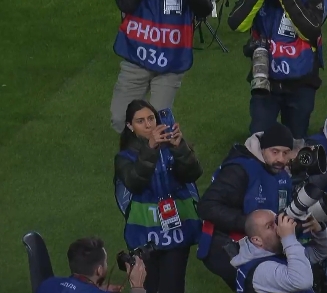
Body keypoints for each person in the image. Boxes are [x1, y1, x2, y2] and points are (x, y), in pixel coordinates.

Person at [110, 0, 213, 134]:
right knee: (120, 118)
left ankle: (154, 153)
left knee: (157, 125)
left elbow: (205, 9)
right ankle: (135, 152)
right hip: (137, 58)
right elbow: (125, 3)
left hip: (170, 62)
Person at [227, 0, 327, 141]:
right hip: (265, 79)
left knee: (296, 138)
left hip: (302, 80)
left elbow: (311, 30)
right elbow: (236, 23)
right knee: (259, 138)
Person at [114, 100, 203, 293]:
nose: (148, 125)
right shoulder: (124, 158)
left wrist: (180, 148)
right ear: (130, 126)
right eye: (140, 121)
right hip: (144, 233)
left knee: (172, 288)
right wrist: (150, 148)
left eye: (151, 118)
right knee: (150, 288)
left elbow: (193, 174)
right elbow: (135, 182)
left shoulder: (171, 147)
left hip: (177, 231)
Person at [196, 122, 295, 290]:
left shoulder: (282, 174)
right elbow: (207, 206)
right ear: (263, 148)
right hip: (224, 244)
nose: (280, 159)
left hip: (260, 244)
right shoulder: (239, 170)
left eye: (285, 153)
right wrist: (251, 225)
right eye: (275, 151)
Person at [230, 210, 327, 293]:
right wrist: (288, 237)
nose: (278, 227)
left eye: (276, 221)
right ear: (257, 240)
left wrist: (318, 230)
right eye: (270, 226)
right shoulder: (261, 271)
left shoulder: (277, 252)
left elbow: (322, 250)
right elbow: (302, 281)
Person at [37, 237, 146, 293]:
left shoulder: (47, 284)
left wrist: (96, 289)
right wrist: (138, 286)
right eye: (105, 262)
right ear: (99, 270)